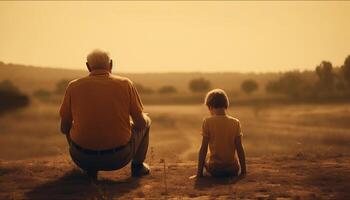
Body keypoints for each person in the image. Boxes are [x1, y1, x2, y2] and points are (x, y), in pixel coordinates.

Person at [59, 49, 151, 180]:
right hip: (118, 158)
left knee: (70, 125)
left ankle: (90, 170)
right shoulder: (125, 84)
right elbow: (140, 123)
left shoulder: (73, 86)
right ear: (111, 64)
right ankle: (138, 167)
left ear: (88, 66)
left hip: (81, 158)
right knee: (147, 121)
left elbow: (64, 129)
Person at [196, 89, 246, 178]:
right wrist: (243, 172)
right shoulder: (235, 122)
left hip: (216, 169)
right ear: (226, 105)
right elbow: (239, 148)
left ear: (210, 106)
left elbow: (203, 148)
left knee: (206, 156)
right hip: (232, 169)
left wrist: (199, 174)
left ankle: (201, 174)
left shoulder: (207, 122)